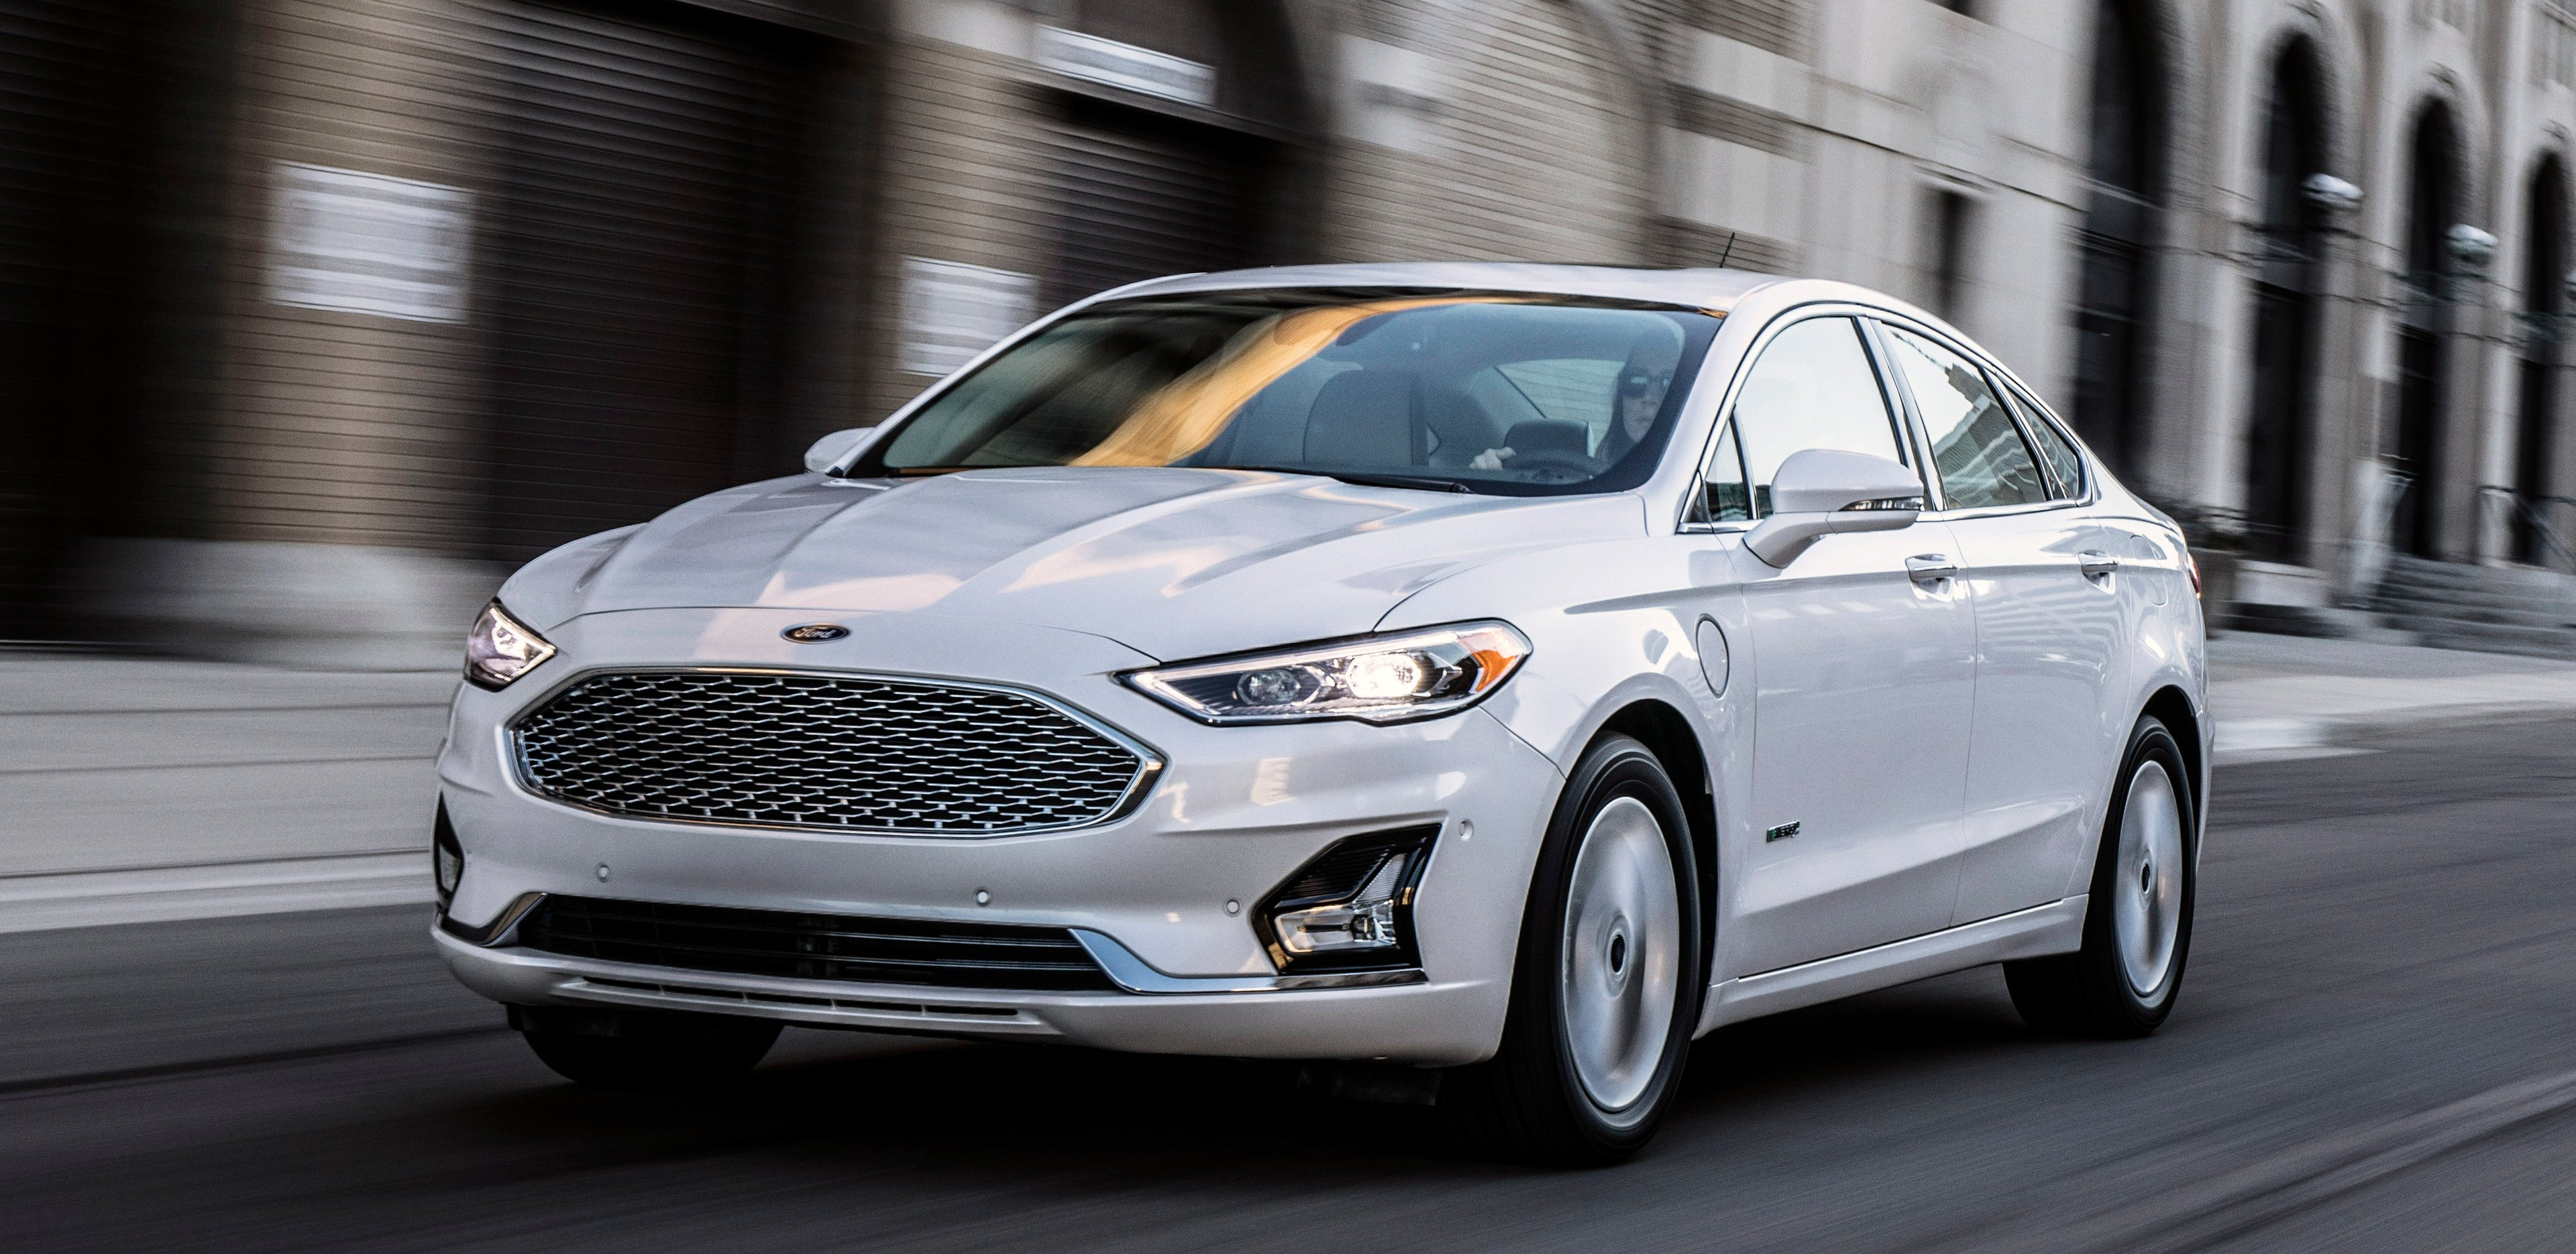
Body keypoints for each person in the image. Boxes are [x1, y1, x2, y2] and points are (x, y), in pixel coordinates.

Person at [1469, 332, 1683, 471]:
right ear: (1621, 393)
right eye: (1636, 381)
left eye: (1668, 383)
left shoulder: (1699, 484)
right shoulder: (1591, 482)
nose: (1650, 397)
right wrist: (1486, 479)